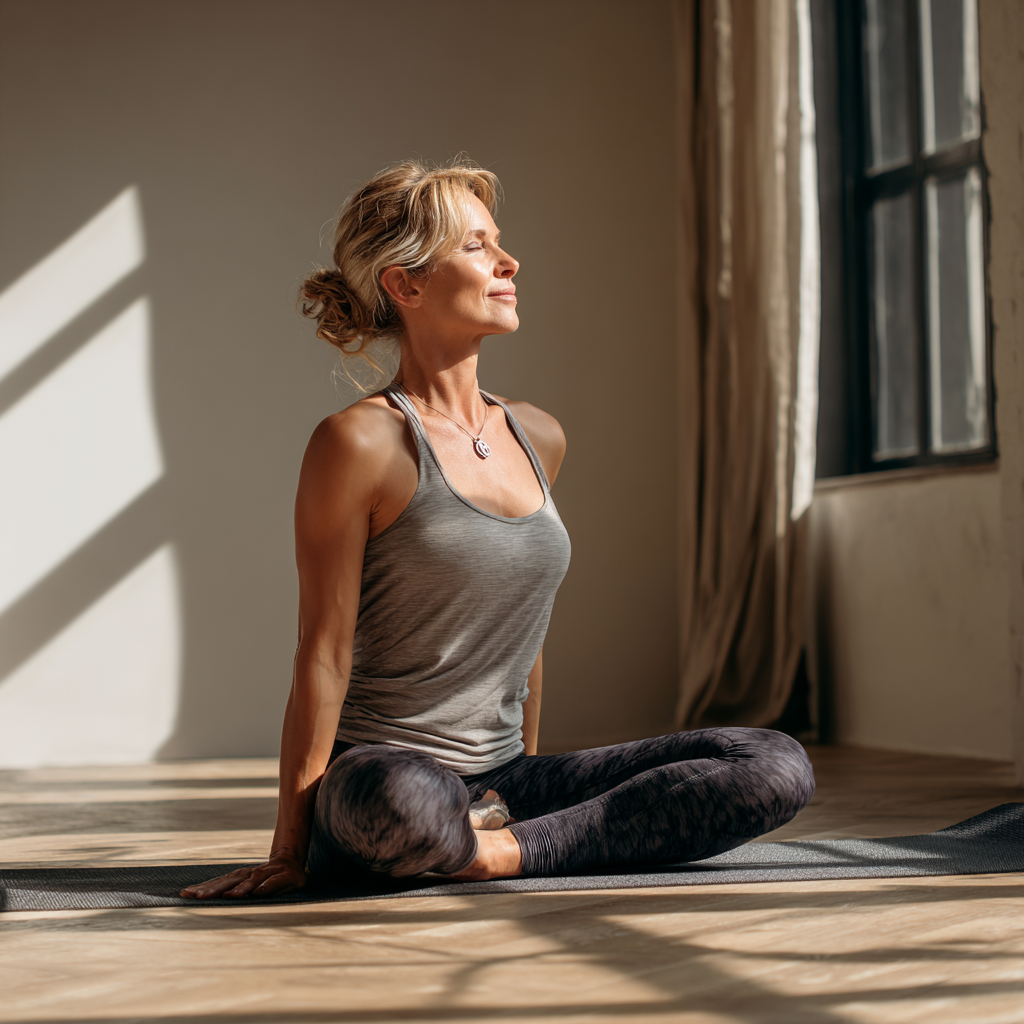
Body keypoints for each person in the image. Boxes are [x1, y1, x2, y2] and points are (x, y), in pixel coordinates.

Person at [181, 160, 814, 900]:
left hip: (503, 783)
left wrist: (526, 787)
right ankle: (498, 841)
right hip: (384, 773)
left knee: (772, 763)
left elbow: (527, 636)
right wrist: (289, 851)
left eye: (499, 242)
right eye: (477, 246)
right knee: (405, 804)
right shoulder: (360, 444)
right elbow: (322, 652)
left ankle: (498, 851)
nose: (509, 262)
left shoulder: (538, 435)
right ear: (405, 284)